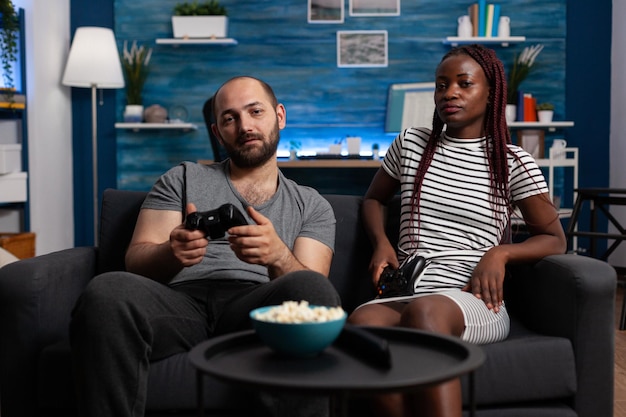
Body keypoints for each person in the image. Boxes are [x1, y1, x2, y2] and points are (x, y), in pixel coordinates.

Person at [70, 76, 341, 417]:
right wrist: (171, 253)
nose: (245, 126)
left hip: (256, 309)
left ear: (280, 116)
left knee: (312, 288)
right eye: (230, 118)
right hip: (180, 304)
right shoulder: (182, 178)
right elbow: (135, 260)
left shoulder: (312, 205)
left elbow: (315, 289)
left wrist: (278, 257)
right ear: (217, 132)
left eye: (255, 111)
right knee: (106, 289)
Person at [348, 44, 567, 417]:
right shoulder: (411, 144)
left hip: (472, 299)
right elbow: (373, 200)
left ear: (491, 93)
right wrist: (382, 244)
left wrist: (500, 253)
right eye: (442, 84)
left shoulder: (513, 162)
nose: (450, 93)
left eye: (464, 84)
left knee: (426, 311)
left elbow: (555, 240)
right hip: (408, 289)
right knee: (360, 324)